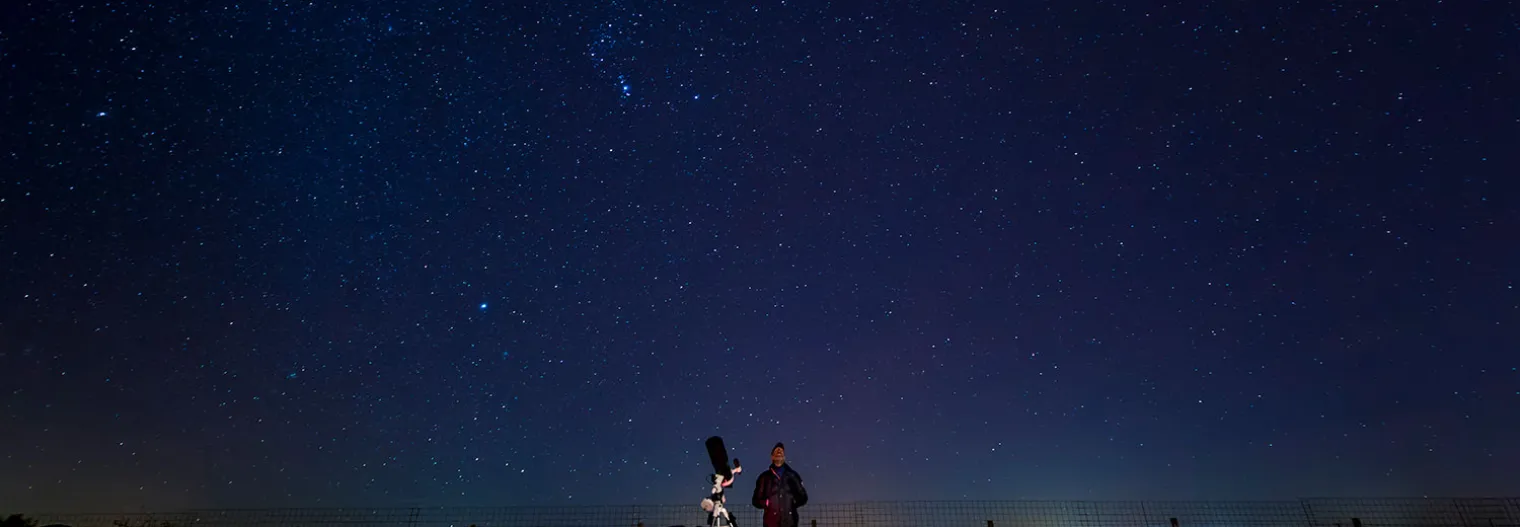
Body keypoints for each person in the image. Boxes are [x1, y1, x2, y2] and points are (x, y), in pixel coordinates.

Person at [751, 442, 808, 527]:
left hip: (790, 523)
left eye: (781, 451)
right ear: (772, 457)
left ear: (784, 457)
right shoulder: (764, 477)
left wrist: (793, 501)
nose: (779, 451)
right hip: (770, 523)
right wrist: (765, 503)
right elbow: (755, 500)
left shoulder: (793, 476)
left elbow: (803, 497)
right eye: (776, 451)